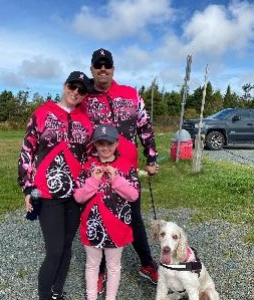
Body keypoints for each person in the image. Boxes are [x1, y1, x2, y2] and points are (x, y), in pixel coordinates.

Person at [81, 48, 159, 292]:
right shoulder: (85, 98)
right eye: (97, 65)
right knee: (99, 218)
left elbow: (144, 126)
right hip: (97, 170)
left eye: (107, 65)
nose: (102, 69)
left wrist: (151, 157)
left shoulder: (131, 94)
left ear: (113, 69)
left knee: (133, 218)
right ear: (92, 69)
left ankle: (146, 264)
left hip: (126, 171)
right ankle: (101, 271)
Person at [18, 71, 93, 300]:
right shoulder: (42, 113)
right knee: (54, 250)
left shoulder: (87, 121)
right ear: (65, 85)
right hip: (47, 193)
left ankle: (56, 292)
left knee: (68, 247)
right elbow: (27, 151)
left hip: (75, 195)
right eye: (73, 86)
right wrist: (28, 187)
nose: (75, 92)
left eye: (81, 90)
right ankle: (43, 295)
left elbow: (90, 156)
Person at [74, 124, 140, 300]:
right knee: (92, 265)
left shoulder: (126, 166)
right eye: (101, 143)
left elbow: (133, 195)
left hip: (117, 227)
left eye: (109, 143)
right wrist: (93, 181)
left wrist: (116, 179)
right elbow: (79, 197)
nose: (105, 148)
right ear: (95, 144)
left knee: (114, 266)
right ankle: (91, 297)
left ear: (117, 143)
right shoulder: (88, 166)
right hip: (92, 225)